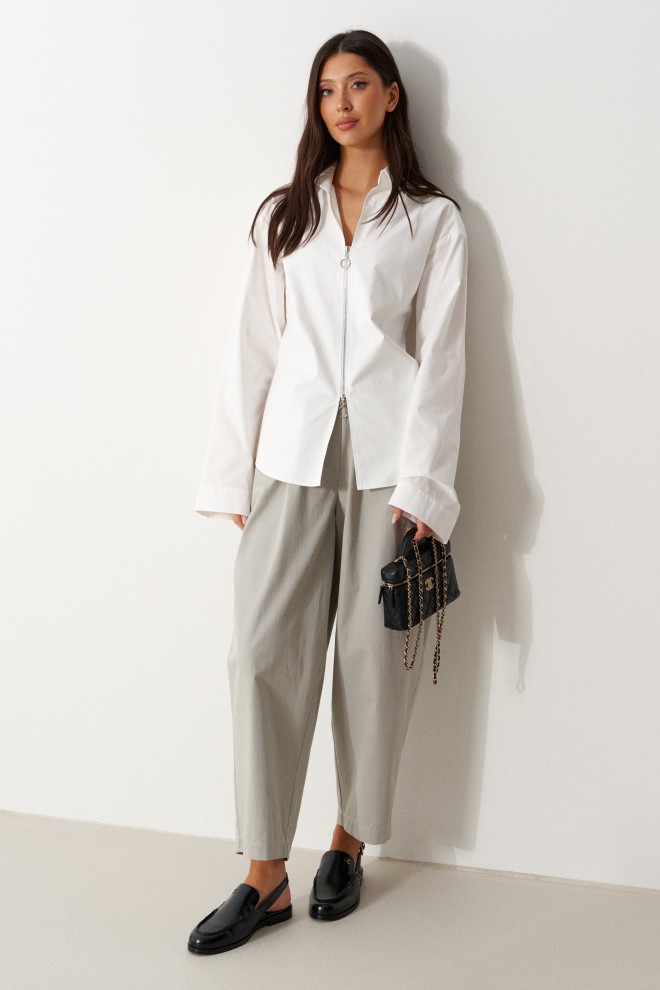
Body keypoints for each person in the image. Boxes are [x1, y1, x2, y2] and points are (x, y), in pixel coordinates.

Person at [188, 28, 468, 955]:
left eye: (356, 85)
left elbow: (443, 360)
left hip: (391, 463)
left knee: (370, 660)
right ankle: (264, 873)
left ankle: (348, 842)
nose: (340, 103)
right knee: (260, 651)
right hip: (291, 456)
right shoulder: (286, 214)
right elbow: (251, 349)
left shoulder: (431, 220)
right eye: (325, 90)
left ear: (391, 95)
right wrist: (231, 471)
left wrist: (428, 485)